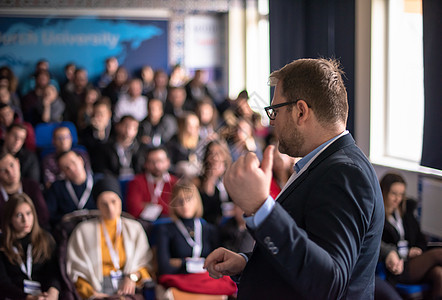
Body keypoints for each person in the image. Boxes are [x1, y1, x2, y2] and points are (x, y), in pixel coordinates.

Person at [204, 58, 384, 299]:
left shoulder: (344, 173)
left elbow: (329, 283)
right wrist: (249, 264)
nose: (271, 121)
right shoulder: (324, 164)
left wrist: (261, 208)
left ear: (300, 111)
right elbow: (308, 254)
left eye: (275, 111)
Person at [66, 176, 152, 299]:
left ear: (121, 201)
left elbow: (146, 262)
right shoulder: (83, 230)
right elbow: (76, 270)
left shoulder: (134, 228)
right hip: (97, 289)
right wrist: (91, 294)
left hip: (128, 288)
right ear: (97, 205)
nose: (110, 208)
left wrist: (132, 277)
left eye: (113, 201)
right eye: (104, 204)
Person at [154, 179, 237, 296]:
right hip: (180, 283)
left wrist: (182, 262)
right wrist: (203, 263)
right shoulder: (165, 229)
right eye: (180, 201)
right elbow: (165, 268)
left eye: (189, 199)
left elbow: (218, 266)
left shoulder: (209, 229)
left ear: (197, 201)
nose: (185, 205)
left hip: (207, 281)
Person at [380, 173, 442, 299]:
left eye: (401, 194)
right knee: (438, 254)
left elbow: (420, 239)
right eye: (393, 194)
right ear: (383, 192)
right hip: (397, 267)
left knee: (439, 274)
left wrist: (417, 249)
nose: (397, 199)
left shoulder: (406, 213)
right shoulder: (377, 218)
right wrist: (406, 253)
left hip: (416, 262)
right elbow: (379, 247)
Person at [0, 193, 61, 299]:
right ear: (9, 218)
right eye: (19, 215)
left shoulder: (46, 239)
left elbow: (54, 273)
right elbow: (2, 284)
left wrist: (53, 292)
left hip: (43, 296)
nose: (25, 220)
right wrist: (28, 298)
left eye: (28, 213)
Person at [0, 149, 49, 232]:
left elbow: (44, 217)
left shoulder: (32, 186)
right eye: (3, 170)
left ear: (17, 163)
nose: (10, 173)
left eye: (12, 165)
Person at [45, 150, 97, 228]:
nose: (72, 169)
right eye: (66, 168)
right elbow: (51, 215)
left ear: (81, 160)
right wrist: (64, 218)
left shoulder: (99, 181)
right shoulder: (56, 188)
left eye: (73, 162)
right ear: (63, 172)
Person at [126, 146, 178, 223]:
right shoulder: (136, 182)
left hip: (169, 224)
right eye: (152, 162)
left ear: (168, 162)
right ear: (146, 164)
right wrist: (164, 207)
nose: (157, 166)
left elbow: (177, 211)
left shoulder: (175, 183)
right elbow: (134, 210)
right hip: (143, 224)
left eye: (160, 161)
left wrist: (148, 205)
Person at [196, 139, 233, 226]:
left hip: (230, 225)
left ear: (225, 155)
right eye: (211, 153)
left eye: (218, 153)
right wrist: (211, 178)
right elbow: (205, 208)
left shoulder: (231, 179)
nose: (215, 158)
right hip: (207, 224)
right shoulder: (198, 181)